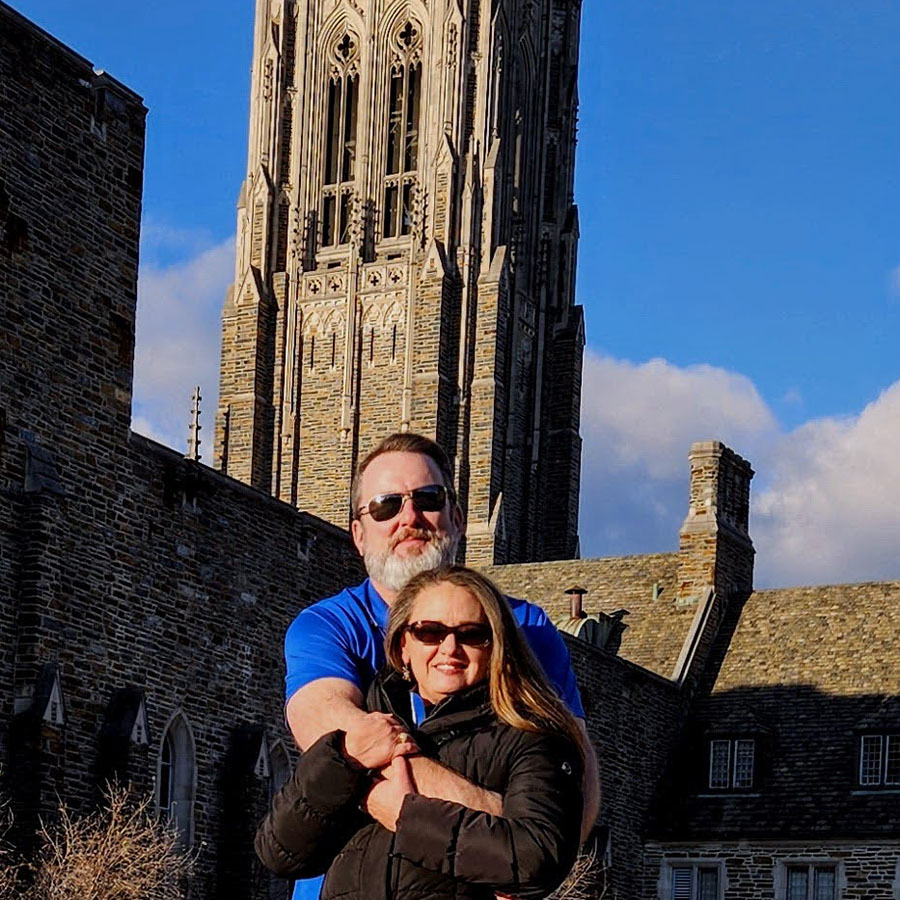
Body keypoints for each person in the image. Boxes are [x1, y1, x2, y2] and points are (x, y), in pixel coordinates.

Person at [283, 433, 600, 899]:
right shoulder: (328, 627)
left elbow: (577, 781)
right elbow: (346, 749)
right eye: (386, 506)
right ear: (358, 533)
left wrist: (530, 862)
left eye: (427, 499)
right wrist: (512, 841)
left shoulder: (525, 628)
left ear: (457, 517)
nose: (409, 518)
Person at [258, 566, 586, 899]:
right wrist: (343, 759)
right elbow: (281, 852)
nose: (450, 648)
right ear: (403, 645)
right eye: (430, 632)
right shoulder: (372, 720)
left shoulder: (530, 736)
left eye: (471, 634)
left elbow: (539, 858)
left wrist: (407, 817)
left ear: (495, 645)